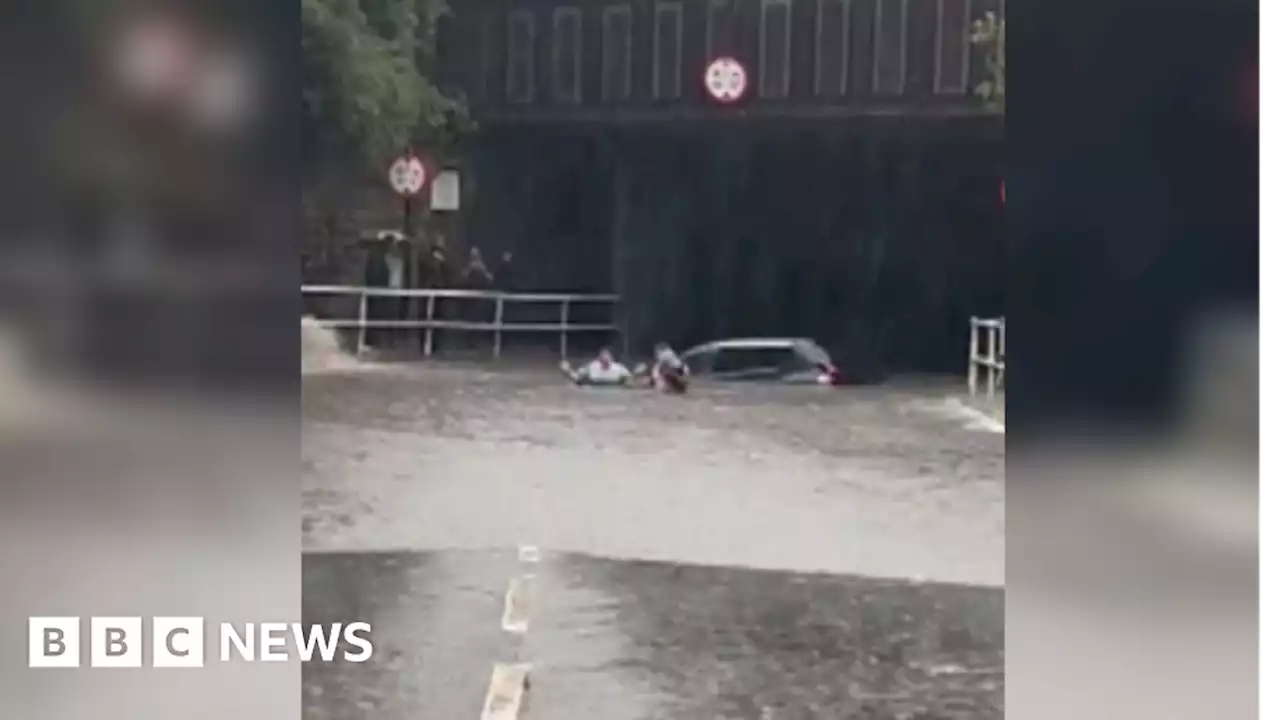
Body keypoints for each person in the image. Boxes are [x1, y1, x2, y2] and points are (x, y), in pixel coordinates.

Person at [560, 348, 634, 386]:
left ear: (611, 361)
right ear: (600, 360)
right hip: (594, 384)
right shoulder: (593, 366)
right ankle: (567, 369)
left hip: (614, 384)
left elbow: (630, 377)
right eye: (603, 361)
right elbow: (578, 376)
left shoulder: (618, 368)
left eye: (607, 361)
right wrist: (569, 371)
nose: (605, 363)